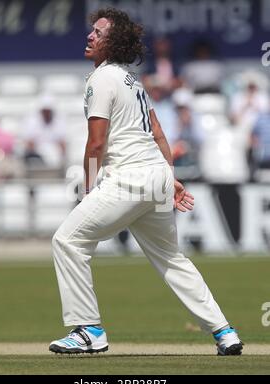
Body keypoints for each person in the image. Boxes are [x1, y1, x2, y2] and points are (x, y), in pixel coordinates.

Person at [49, 8, 243, 356]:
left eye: (98, 33)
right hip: (154, 176)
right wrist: (170, 179)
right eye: (91, 31)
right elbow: (157, 133)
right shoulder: (132, 80)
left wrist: (89, 189)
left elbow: (96, 142)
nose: (90, 36)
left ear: (114, 43)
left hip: (128, 178)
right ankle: (224, 332)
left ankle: (89, 330)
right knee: (171, 258)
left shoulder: (102, 78)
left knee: (67, 241)